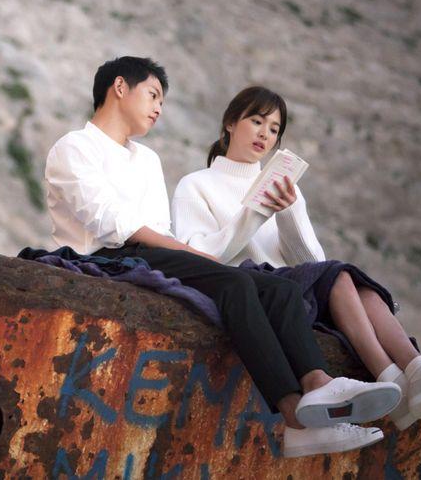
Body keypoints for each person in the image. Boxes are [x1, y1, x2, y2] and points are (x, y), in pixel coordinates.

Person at [45, 57, 402, 458]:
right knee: (234, 282)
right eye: (153, 95)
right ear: (120, 87)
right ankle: (294, 419)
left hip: (153, 252)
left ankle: (318, 383)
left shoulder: (147, 159)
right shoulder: (74, 147)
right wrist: (194, 254)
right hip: (107, 257)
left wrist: (189, 253)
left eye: (161, 100)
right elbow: (113, 224)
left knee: (280, 289)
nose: (159, 107)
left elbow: (159, 229)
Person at [171, 86, 421, 433]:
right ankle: (392, 379)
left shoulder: (285, 186)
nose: (264, 134)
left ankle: (418, 369)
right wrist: (255, 213)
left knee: (355, 284)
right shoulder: (195, 185)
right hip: (259, 290)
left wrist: (289, 212)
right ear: (230, 123)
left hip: (298, 290)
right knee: (337, 275)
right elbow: (202, 256)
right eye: (257, 121)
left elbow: (313, 261)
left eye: (274, 129)